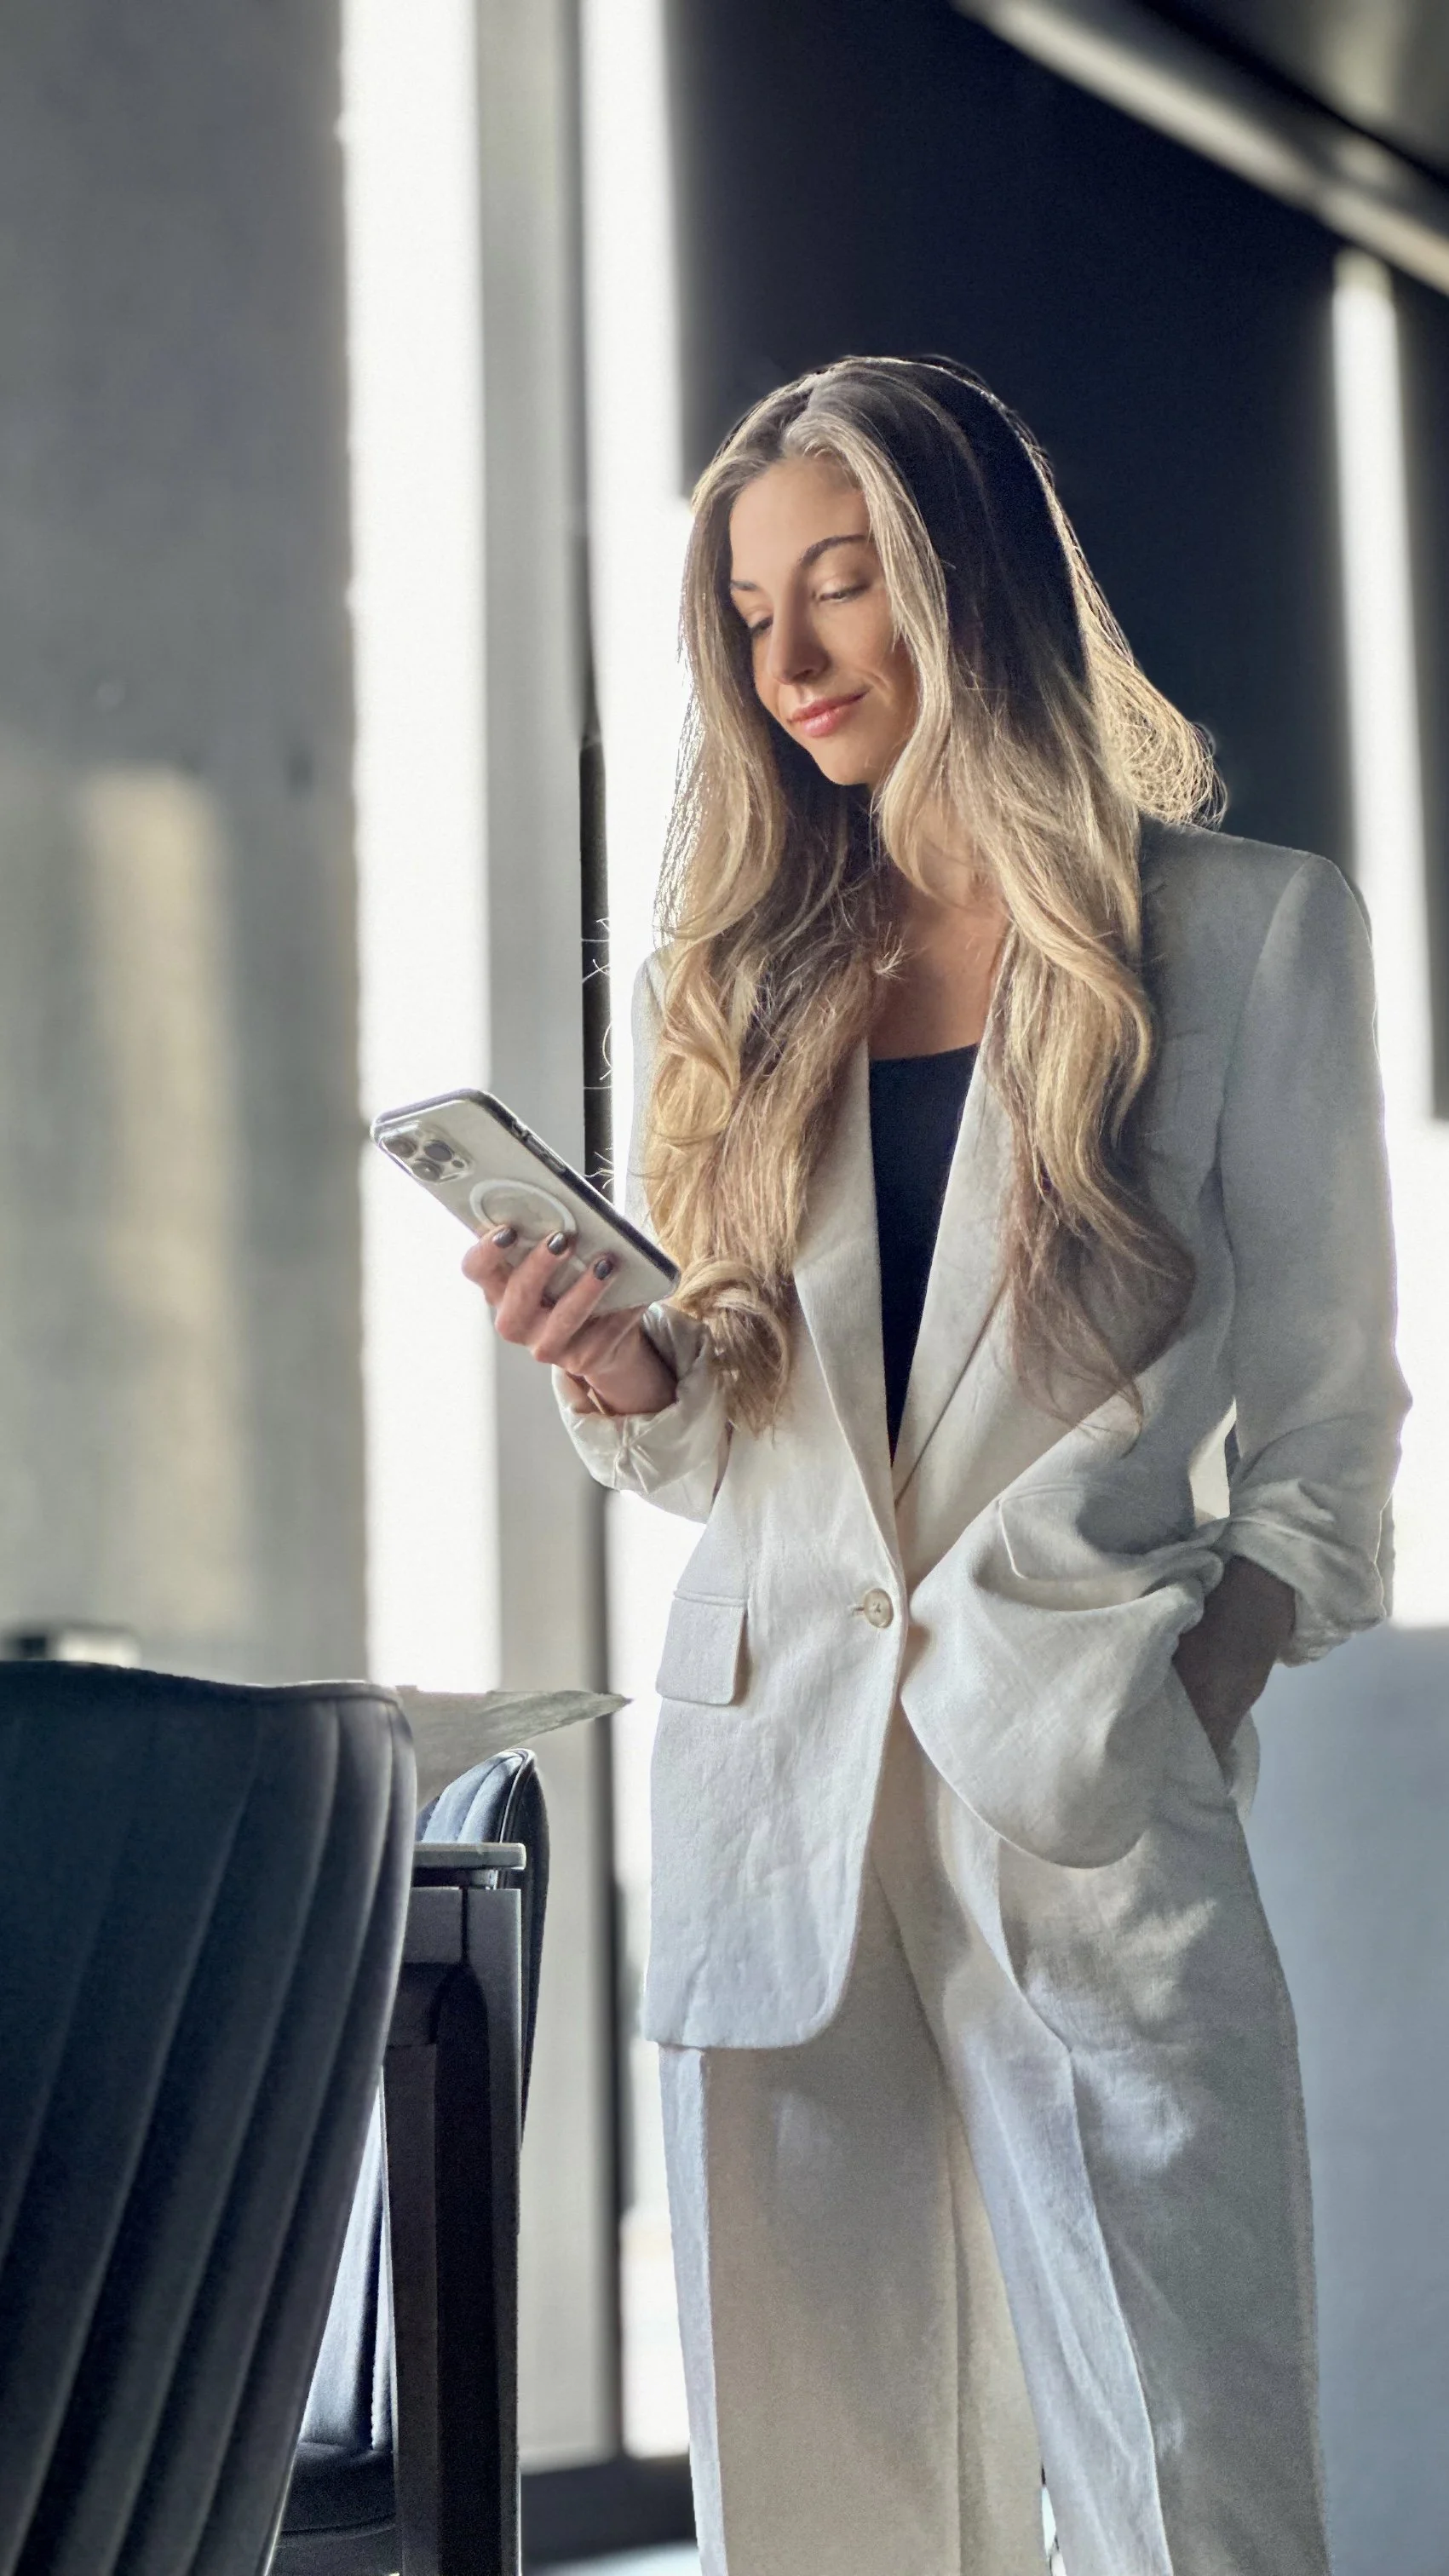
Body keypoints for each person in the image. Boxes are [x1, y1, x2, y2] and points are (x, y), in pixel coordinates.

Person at [463, 358, 1407, 2576]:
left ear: (968, 580)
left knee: (1194, 2502)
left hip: (1078, 1798)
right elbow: (733, 1458)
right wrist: (610, 1369)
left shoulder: (1246, 934)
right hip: (770, 1810)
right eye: (742, 612)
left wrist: (1180, 1698)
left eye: (838, 583)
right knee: (826, 2515)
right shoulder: (742, 974)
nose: (783, 663)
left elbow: (1331, 1432)